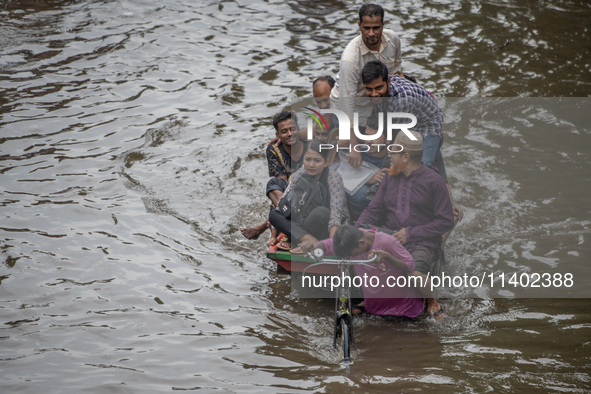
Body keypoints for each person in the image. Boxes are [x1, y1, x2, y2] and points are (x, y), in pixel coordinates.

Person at [355, 130, 454, 318]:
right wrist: (355, 232)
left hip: (421, 242)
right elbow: (373, 209)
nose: (390, 155)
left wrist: (410, 234)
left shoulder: (435, 181)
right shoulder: (390, 177)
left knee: (415, 274)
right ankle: (369, 298)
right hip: (389, 236)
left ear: (406, 157)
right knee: (358, 254)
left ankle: (430, 300)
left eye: (393, 152)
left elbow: (446, 221)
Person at [361, 60, 464, 221]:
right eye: (369, 89)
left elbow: (398, 140)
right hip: (407, 121)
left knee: (422, 168)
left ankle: (430, 215)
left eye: (378, 88)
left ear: (387, 82)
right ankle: (448, 207)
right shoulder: (380, 94)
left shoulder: (402, 101)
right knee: (436, 169)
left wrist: (387, 153)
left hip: (427, 127)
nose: (374, 94)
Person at [297, 225, 434, 319]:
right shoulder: (349, 242)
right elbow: (327, 244)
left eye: (354, 254)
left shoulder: (387, 242)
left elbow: (410, 265)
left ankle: (433, 302)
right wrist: (313, 246)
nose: (354, 256)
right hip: (374, 310)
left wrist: (387, 256)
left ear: (361, 243)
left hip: (406, 309)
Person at [330, 4, 402, 125]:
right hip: (350, 109)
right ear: (359, 26)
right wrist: (350, 133)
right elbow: (346, 103)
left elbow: (395, 73)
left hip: (377, 105)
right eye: (366, 28)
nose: (371, 33)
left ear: (383, 25)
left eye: (376, 28)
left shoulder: (393, 39)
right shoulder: (350, 59)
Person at [269, 140, 347, 249]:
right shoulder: (299, 175)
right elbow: (283, 203)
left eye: (317, 160)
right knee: (274, 214)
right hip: (303, 223)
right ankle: (309, 240)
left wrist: (331, 245)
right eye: (307, 159)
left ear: (327, 162)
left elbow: (336, 215)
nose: (311, 164)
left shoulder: (334, 178)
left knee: (321, 212)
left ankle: (301, 240)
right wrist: (274, 235)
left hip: (325, 226)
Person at [241, 111, 305, 243]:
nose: (289, 134)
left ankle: (263, 228)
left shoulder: (311, 144)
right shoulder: (274, 150)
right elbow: (282, 185)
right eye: (284, 131)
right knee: (274, 185)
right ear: (278, 135)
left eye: (293, 129)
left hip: (310, 188)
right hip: (290, 192)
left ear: (299, 129)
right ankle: (275, 232)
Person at [348, 111, 390, 219]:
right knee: (360, 194)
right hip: (357, 205)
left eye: (375, 137)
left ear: (388, 139)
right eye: (366, 135)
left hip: (384, 207)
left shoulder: (395, 156)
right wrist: (367, 179)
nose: (368, 141)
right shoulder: (357, 152)